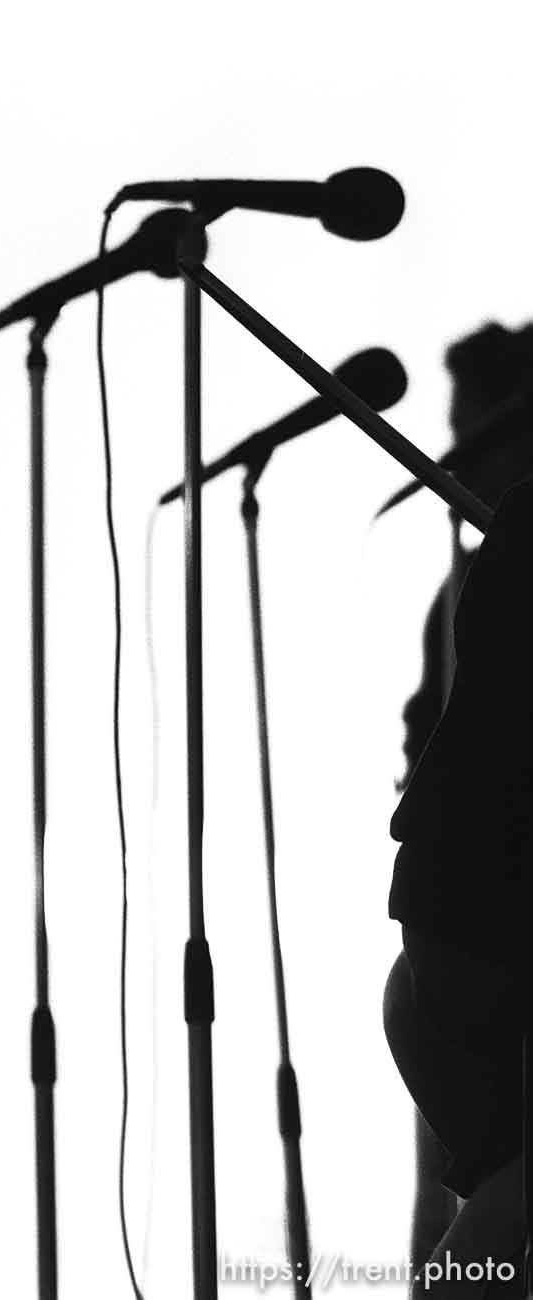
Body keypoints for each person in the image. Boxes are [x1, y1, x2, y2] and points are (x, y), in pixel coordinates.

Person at [384, 325, 533, 1296]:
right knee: (486, 1232)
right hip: (488, 931)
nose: (462, 459)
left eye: (478, 433)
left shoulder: (491, 565)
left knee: (488, 1229)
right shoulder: (486, 572)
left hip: (451, 934)